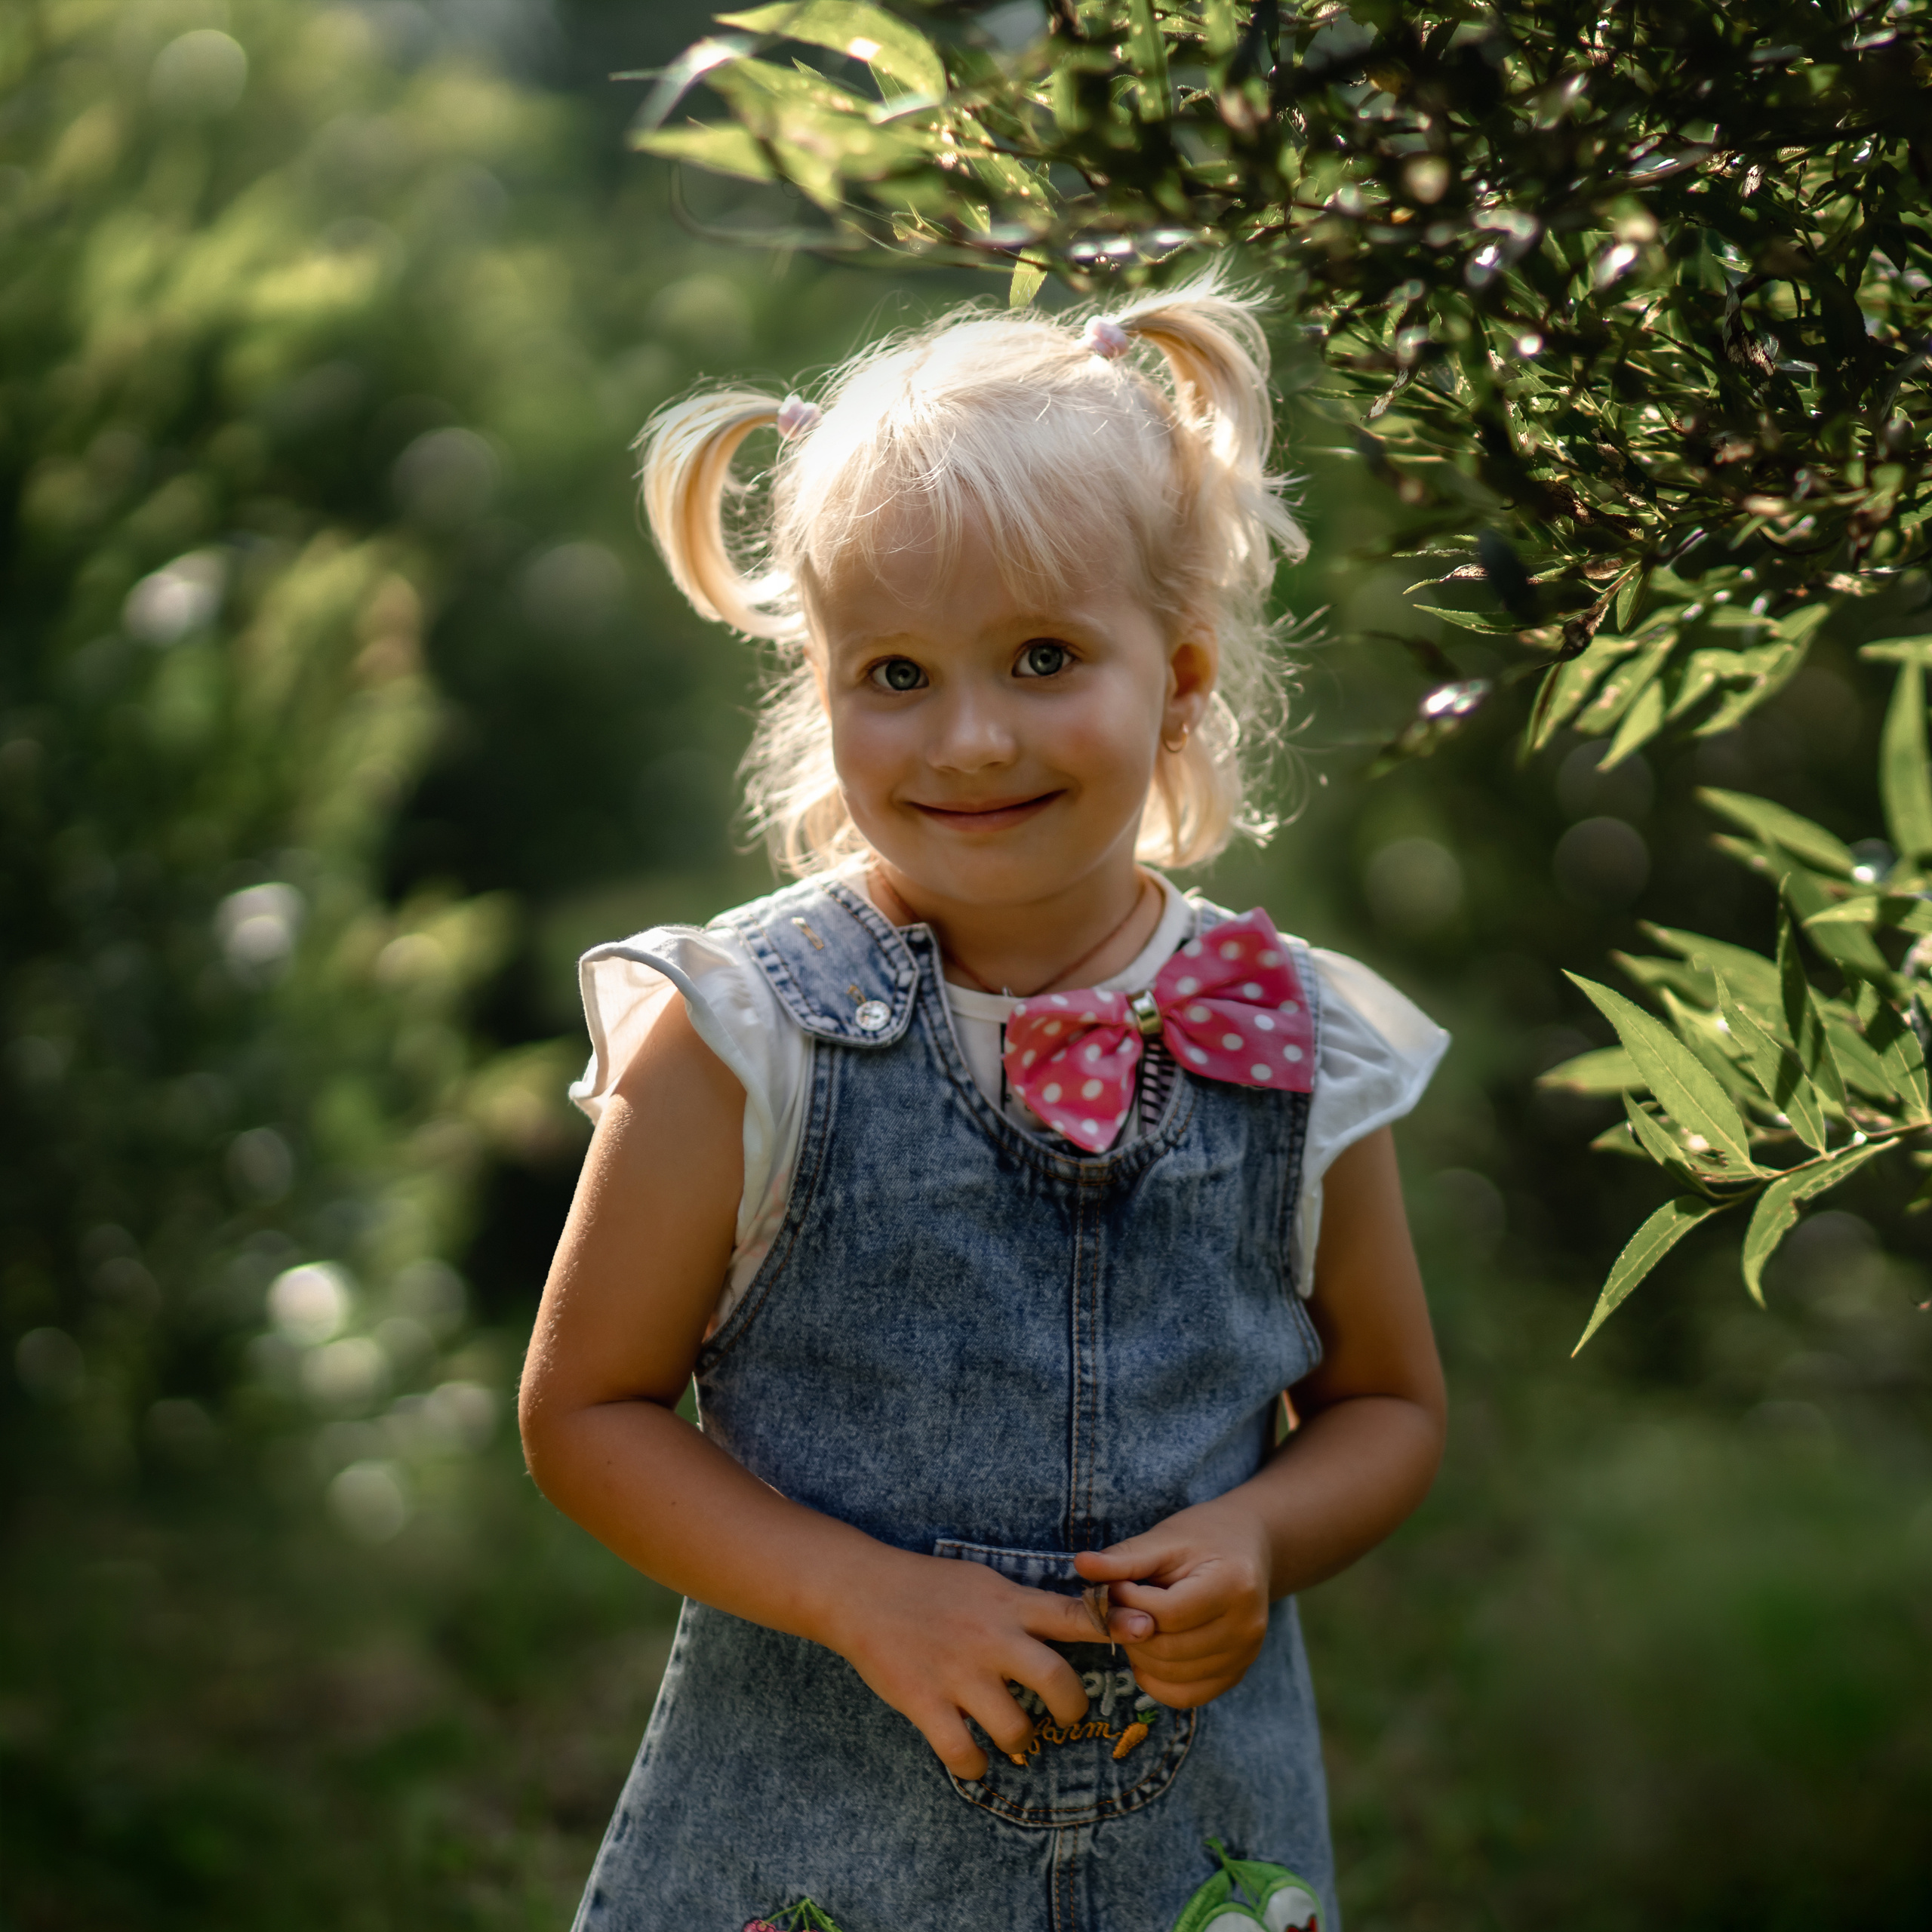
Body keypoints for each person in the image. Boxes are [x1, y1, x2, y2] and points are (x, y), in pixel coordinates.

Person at [518, 278, 1449, 1932]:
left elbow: (1386, 1405)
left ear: (1172, 675)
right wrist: (857, 1593)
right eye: (893, 670)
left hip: (1194, 1858)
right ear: (821, 692)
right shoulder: (742, 1034)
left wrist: (1256, 1536)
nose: (968, 736)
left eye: (1039, 657)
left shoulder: (1286, 1031)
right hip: (813, 1854)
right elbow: (582, 1410)